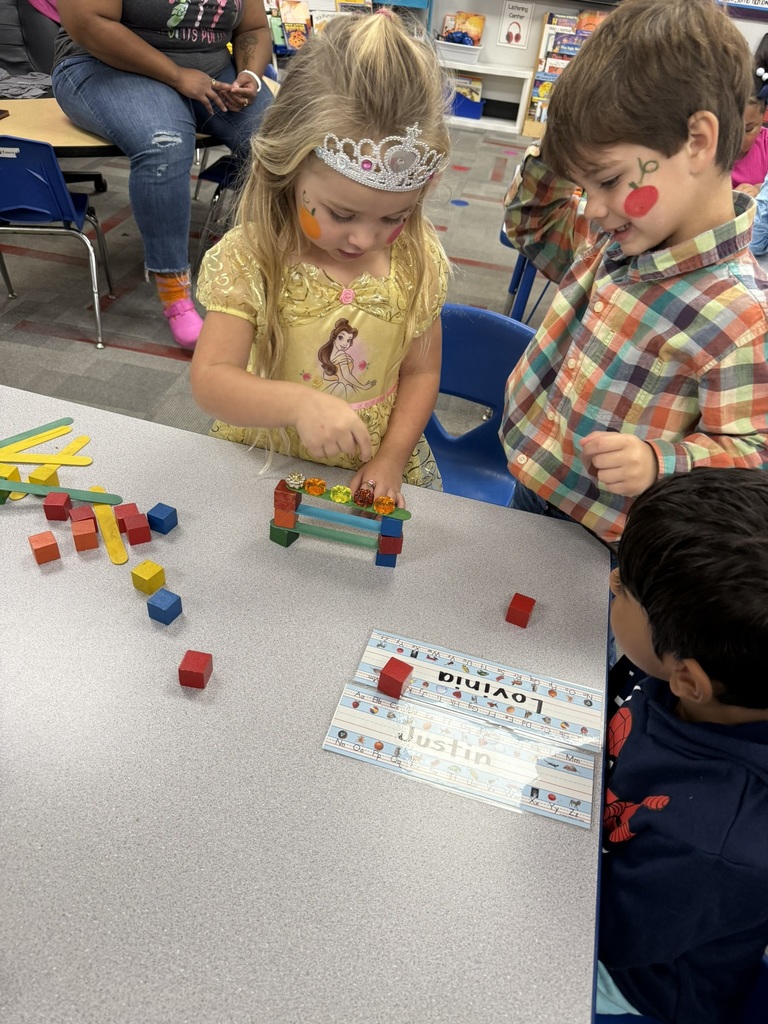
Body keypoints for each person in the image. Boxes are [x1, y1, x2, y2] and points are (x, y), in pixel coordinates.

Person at [500, 0, 768, 548]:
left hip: (618, 539)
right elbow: (529, 223)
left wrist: (660, 460)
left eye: (609, 179)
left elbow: (751, 459)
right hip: (534, 487)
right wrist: (567, 146)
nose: (594, 207)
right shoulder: (616, 238)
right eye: (585, 186)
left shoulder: (740, 318)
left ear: (697, 141)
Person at [190, 12, 451, 507]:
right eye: (341, 212)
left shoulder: (417, 259)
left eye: (393, 216)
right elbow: (211, 380)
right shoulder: (253, 257)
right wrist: (298, 404)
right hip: (263, 457)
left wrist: (393, 457)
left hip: (372, 463)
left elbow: (421, 373)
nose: (363, 238)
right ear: (287, 168)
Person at [596, 468, 768, 1024]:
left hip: (635, 982)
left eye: (625, 590)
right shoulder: (716, 679)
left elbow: (597, 933)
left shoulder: (719, 844)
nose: (611, 584)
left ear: (688, 679)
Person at [51, 0, 274, 350]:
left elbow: (253, 28)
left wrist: (252, 76)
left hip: (212, 66)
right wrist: (177, 75)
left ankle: (286, 262)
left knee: (280, 143)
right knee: (165, 144)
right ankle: (174, 292)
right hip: (107, 64)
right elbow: (87, 22)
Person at [732, 34, 768, 195]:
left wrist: (759, 188)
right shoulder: (709, 148)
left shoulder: (766, 145)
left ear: (762, 118)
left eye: (748, 129)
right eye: (730, 128)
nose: (738, 138)